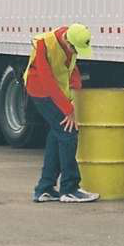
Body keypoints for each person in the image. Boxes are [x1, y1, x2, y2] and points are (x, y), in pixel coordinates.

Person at [23, 23, 100, 204]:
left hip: (58, 90)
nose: (76, 52)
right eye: (74, 48)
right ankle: (69, 188)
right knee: (67, 133)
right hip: (40, 90)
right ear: (66, 40)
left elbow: (72, 70)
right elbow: (47, 80)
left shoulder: (72, 40)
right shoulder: (43, 43)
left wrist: (74, 96)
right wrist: (68, 109)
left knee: (57, 134)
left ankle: (45, 188)